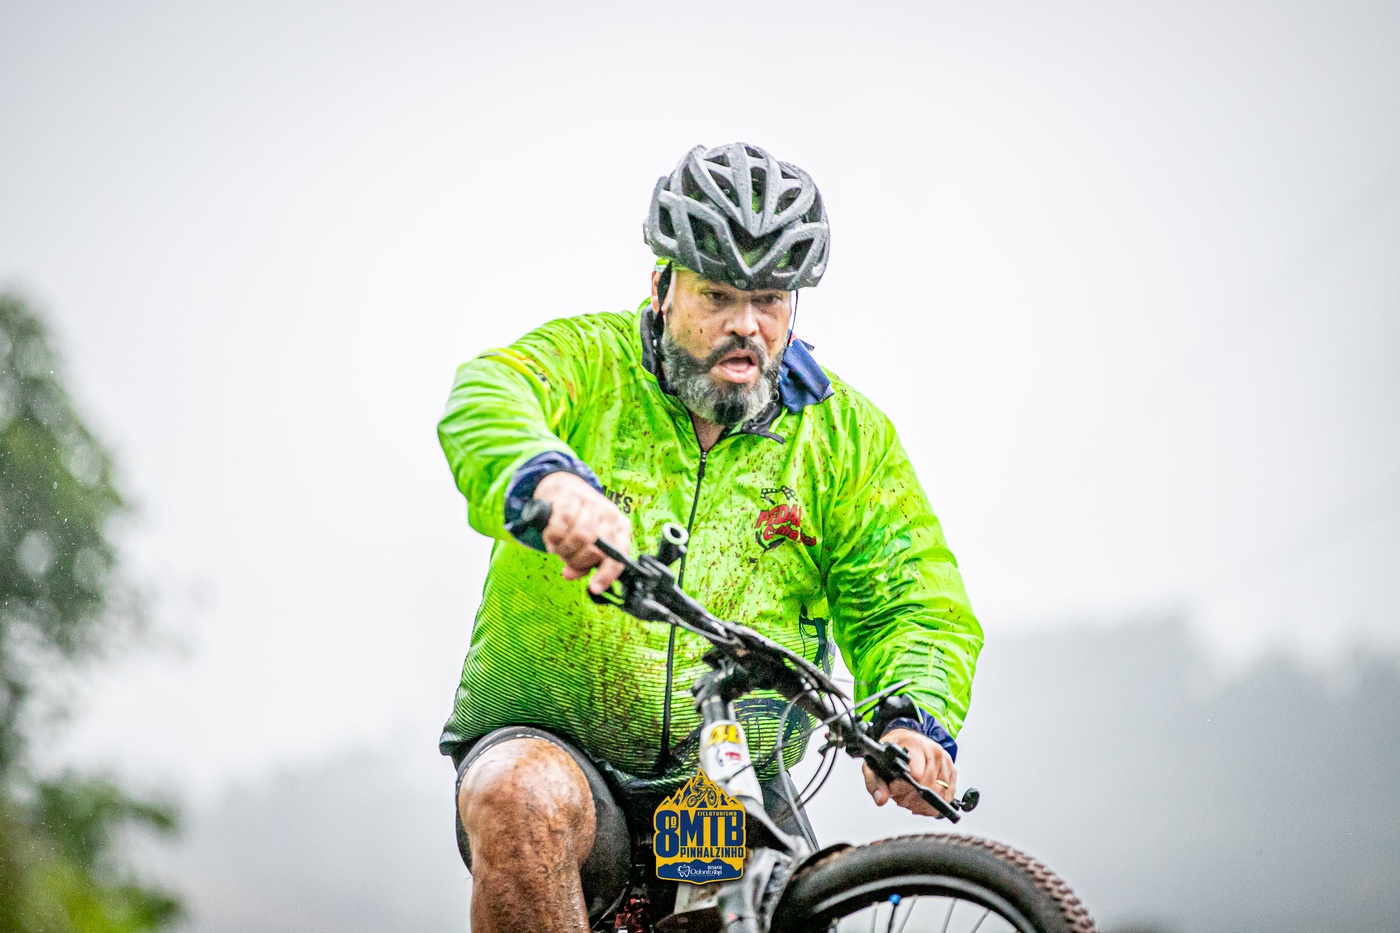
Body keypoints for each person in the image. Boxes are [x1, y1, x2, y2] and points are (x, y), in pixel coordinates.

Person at [438, 142, 982, 933]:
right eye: (718, 294)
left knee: (733, 894)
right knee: (519, 792)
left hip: (724, 781)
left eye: (768, 299)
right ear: (661, 287)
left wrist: (911, 714)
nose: (745, 325)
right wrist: (550, 483)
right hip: (558, 757)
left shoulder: (843, 438)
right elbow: (486, 396)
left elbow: (912, 597)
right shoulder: (588, 365)